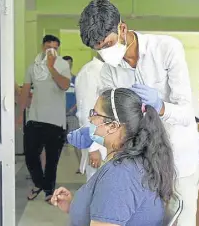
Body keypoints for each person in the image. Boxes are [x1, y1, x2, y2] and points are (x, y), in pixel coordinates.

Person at [78, 2, 199, 225]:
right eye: (99, 48)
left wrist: (160, 106)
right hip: (141, 163)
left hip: (178, 159)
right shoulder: (108, 71)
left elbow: (185, 113)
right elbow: (110, 119)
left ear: (122, 29)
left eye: (108, 44)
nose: (105, 53)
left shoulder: (166, 49)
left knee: (179, 220)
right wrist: (95, 140)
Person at [51, 88, 176, 226]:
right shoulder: (134, 162)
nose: (90, 119)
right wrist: (75, 207)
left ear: (112, 126)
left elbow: (115, 196)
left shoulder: (120, 175)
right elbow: (114, 209)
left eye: (94, 113)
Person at [18, 34, 71, 202]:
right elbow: (25, 91)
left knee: (51, 161)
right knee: (31, 155)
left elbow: (64, 85)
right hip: (35, 118)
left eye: (55, 48)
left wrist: (51, 68)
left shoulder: (62, 65)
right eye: (49, 47)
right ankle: (39, 183)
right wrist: (19, 114)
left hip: (56, 121)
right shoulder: (32, 67)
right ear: (43, 47)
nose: (52, 51)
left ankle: (48, 190)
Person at [74, 54, 107, 180]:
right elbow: (85, 113)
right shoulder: (90, 71)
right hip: (98, 145)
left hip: (114, 143)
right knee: (97, 188)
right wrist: (93, 148)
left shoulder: (111, 70)